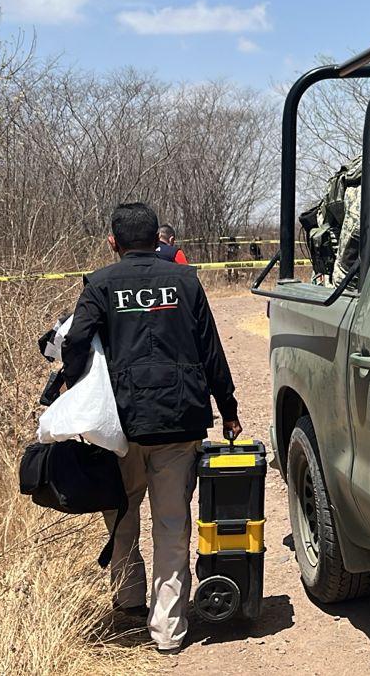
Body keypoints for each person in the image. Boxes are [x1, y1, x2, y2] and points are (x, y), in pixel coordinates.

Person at [57, 202, 241, 653]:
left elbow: (77, 341)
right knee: (172, 524)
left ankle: (128, 601)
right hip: (179, 422)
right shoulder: (187, 281)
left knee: (121, 513)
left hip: (119, 426)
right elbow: (210, 350)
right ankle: (168, 631)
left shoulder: (99, 285)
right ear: (158, 239)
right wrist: (228, 407)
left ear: (112, 242)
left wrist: (72, 388)